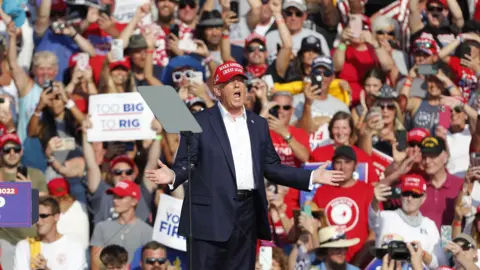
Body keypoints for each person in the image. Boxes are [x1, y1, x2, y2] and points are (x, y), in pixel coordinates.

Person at [146, 61, 345, 269]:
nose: (237, 86)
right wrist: (173, 176)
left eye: (240, 81)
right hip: (209, 217)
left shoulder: (258, 124)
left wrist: (312, 177)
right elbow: (187, 162)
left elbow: (272, 167)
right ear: (217, 90)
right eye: (230, 82)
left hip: (247, 214)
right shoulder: (198, 121)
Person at [13, 197, 86, 270]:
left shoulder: (74, 246)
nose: (38, 221)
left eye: (43, 216)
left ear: (56, 217)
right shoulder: (25, 246)